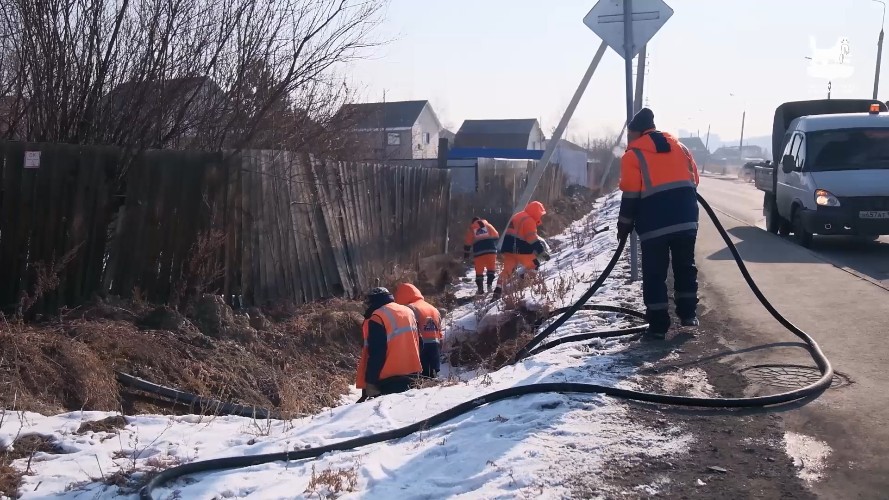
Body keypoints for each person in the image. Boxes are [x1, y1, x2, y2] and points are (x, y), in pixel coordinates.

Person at [617, 108, 701, 340]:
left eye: (630, 134)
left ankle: (658, 326)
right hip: (686, 218)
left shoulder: (633, 156)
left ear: (638, 133)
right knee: (685, 266)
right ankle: (688, 315)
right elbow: (694, 180)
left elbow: (631, 195)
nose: (629, 139)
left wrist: (623, 225)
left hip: (654, 223)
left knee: (655, 273)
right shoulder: (681, 148)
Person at [355, 287, 422, 401]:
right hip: (413, 374)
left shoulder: (378, 316)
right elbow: (420, 343)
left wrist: (371, 381)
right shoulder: (408, 311)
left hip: (390, 380)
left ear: (374, 301)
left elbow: (377, 353)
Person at [492, 201, 551, 299]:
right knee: (534, 264)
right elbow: (531, 238)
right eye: (540, 214)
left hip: (508, 248)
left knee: (507, 270)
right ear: (536, 212)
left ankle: (497, 291)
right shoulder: (529, 220)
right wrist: (541, 252)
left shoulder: (518, 216)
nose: (540, 217)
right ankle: (524, 285)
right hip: (520, 249)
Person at [394, 283, 442, 378]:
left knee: (419, 379)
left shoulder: (409, 308)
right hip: (435, 346)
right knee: (432, 376)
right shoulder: (434, 309)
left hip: (419, 347)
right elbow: (439, 332)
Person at [463, 217, 500, 295]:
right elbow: (496, 235)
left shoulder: (472, 228)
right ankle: (489, 285)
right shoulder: (488, 225)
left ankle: (480, 289)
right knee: (491, 268)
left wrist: (466, 255)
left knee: (479, 271)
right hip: (491, 251)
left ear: (473, 222)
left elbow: (467, 243)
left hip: (479, 252)